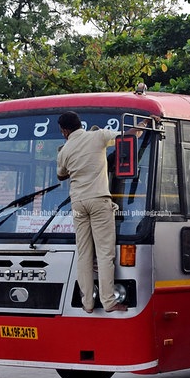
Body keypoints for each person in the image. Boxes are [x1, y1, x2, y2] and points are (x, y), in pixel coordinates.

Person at [56, 111, 127, 313]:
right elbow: (127, 137)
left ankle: (87, 303)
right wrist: (144, 124)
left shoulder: (64, 150)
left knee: (84, 254)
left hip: (78, 203)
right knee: (104, 253)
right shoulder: (98, 136)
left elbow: (61, 175)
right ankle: (108, 301)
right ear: (81, 124)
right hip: (98, 200)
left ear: (65, 131)